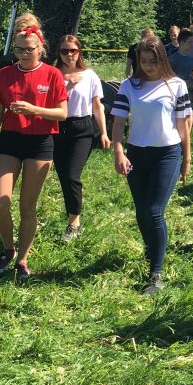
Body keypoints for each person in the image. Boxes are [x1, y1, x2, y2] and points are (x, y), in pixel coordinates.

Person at [0, 20, 68, 280]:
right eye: (19, 50)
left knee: (27, 206)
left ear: (41, 48)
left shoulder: (52, 74)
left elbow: (62, 114)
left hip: (40, 142)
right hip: (10, 141)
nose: (24, 54)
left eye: (29, 49)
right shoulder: (5, 74)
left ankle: (22, 259)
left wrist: (34, 110)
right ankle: (7, 248)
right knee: (1, 202)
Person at [110, 36, 192, 294]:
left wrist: (186, 158)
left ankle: (155, 273)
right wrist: (118, 152)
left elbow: (183, 126)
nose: (147, 66)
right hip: (136, 154)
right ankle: (152, 249)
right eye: (143, 61)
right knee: (142, 211)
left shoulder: (176, 85)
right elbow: (119, 122)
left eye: (152, 61)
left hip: (167, 154)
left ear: (162, 60)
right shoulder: (129, 86)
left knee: (154, 211)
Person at [54, 35, 110, 242]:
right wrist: (68, 86)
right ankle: (71, 214)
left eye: (73, 51)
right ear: (59, 53)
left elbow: (97, 106)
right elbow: (49, 102)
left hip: (82, 129)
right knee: (63, 176)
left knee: (72, 175)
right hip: (58, 127)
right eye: (64, 51)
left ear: (79, 52)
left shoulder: (89, 75)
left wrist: (103, 132)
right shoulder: (53, 74)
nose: (69, 55)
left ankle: (74, 224)